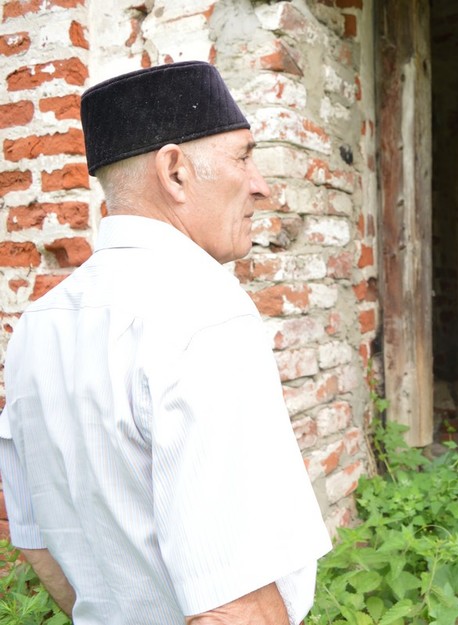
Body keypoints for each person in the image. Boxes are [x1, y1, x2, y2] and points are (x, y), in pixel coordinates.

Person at [0, 61, 332, 624]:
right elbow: (233, 603)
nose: (262, 185)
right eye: (243, 157)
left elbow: (37, 542)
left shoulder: (37, 326)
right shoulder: (206, 316)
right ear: (175, 172)